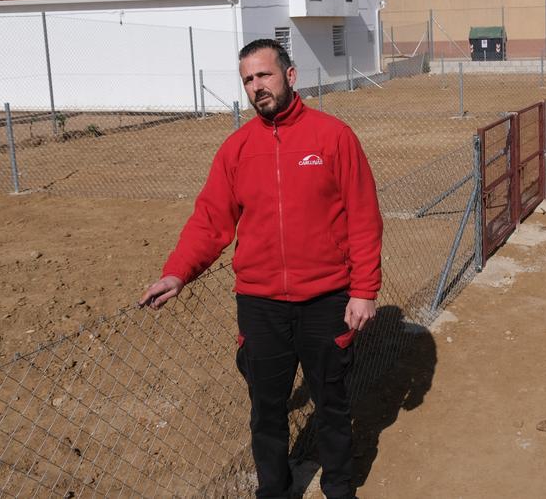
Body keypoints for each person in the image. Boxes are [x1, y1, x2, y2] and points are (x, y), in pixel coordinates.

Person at [139, 38, 382, 499]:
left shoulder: (333, 137)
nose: (256, 87)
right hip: (260, 305)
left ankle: (339, 486)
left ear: (290, 76)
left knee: (331, 403)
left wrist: (364, 290)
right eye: (248, 79)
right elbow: (210, 221)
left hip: (326, 299)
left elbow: (364, 217)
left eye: (264, 75)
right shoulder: (236, 149)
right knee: (266, 410)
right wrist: (177, 272)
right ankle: (274, 489)